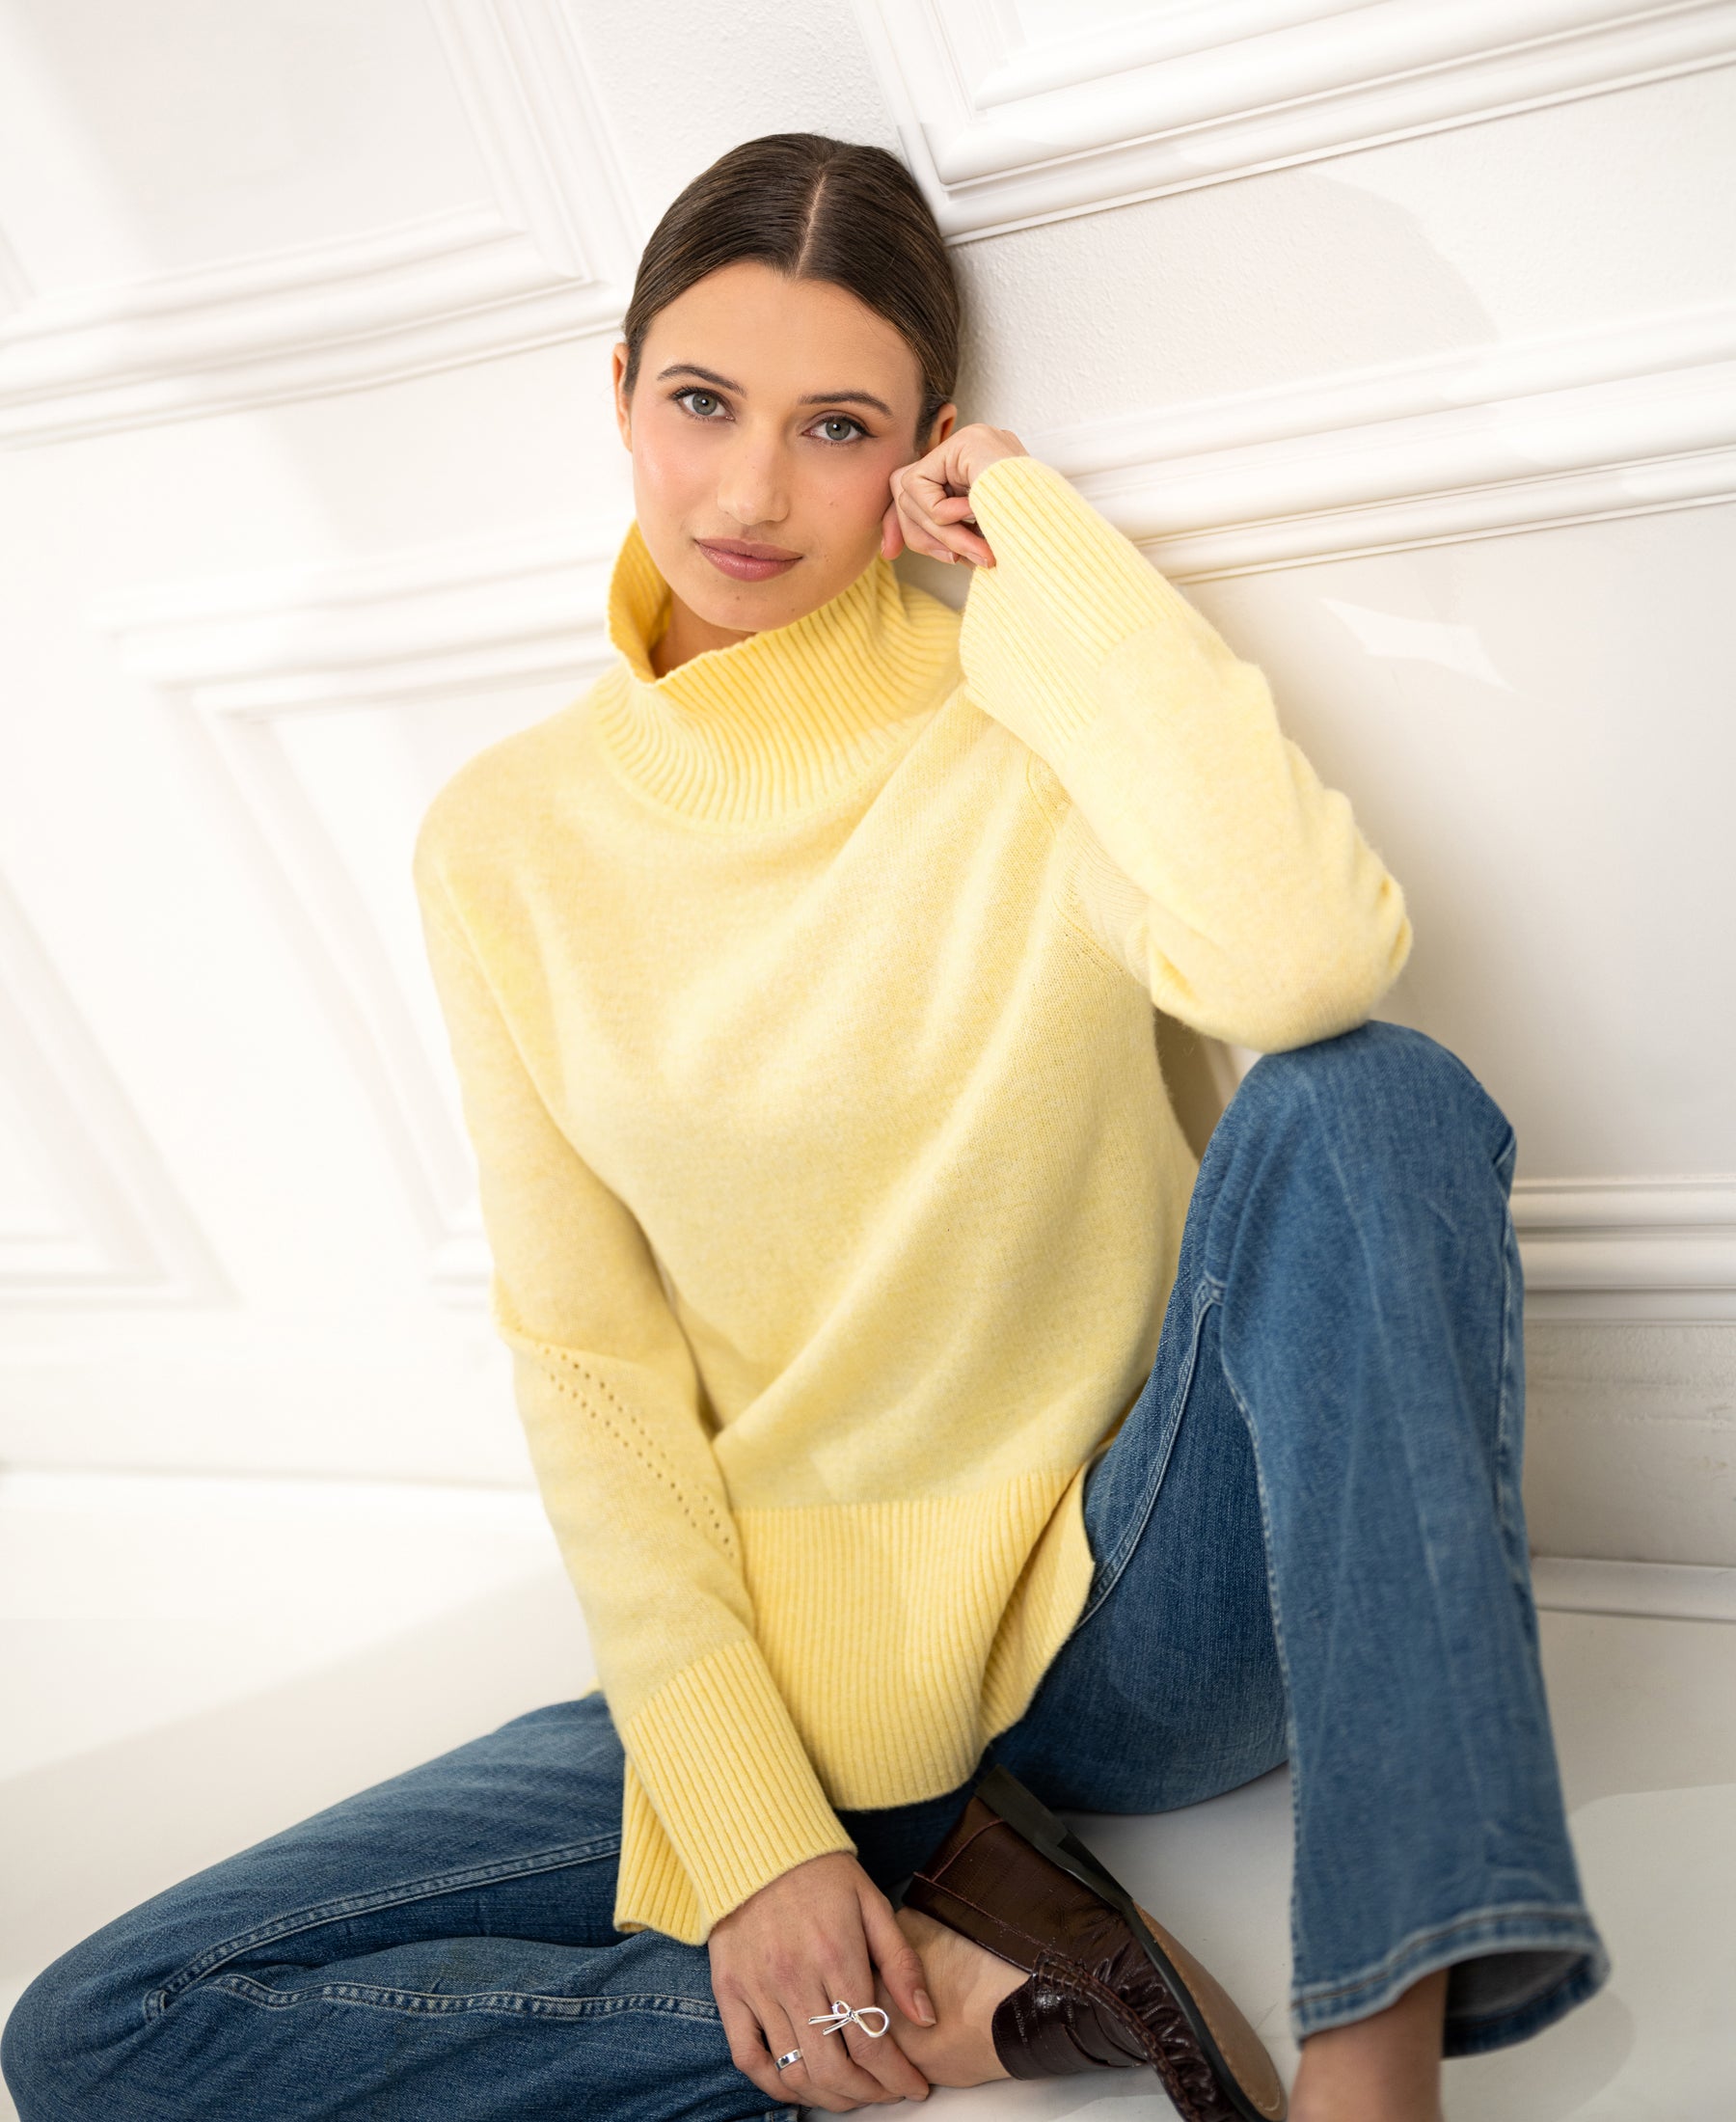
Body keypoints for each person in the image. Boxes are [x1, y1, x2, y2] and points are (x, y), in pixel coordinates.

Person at [2, 131, 1607, 2122]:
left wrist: (1041, 550)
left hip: (1143, 1616)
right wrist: (760, 1830)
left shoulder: (1019, 711)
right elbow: (592, 1367)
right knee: (101, 2025)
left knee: (1373, 1097)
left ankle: (1375, 2059)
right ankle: (975, 2008)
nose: (751, 489)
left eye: (834, 426)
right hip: (803, 1676)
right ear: (619, 395)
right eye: (701, 403)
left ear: (915, 446)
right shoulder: (505, 841)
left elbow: (1300, 962)